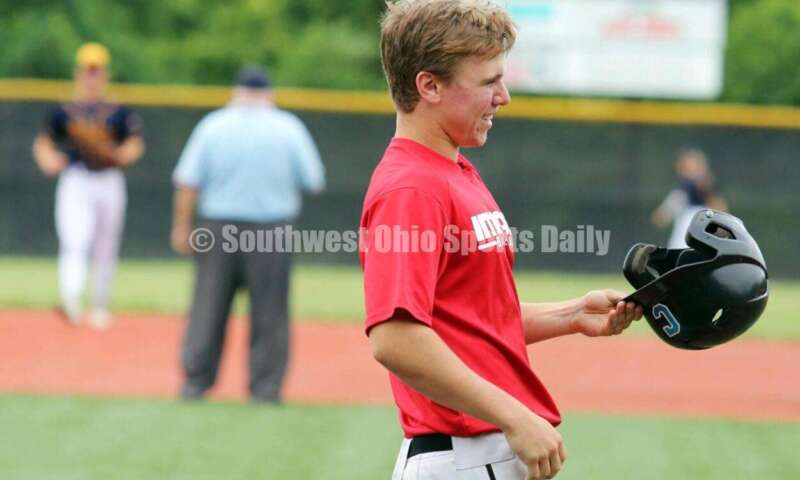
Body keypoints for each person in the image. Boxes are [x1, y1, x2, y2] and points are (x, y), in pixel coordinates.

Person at [359, 2, 643, 479]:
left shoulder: (452, 171)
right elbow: (395, 338)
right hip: (462, 457)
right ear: (428, 85)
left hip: (482, 453)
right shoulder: (412, 188)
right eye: (489, 81)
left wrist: (572, 314)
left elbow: (470, 320)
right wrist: (513, 414)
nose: (504, 96)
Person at [171, 65, 325, 403]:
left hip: (217, 228)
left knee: (207, 308)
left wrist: (182, 227)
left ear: (236, 92)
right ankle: (266, 387)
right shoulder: (288, 127)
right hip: (271, 229)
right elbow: (313, 179)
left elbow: (187, 182)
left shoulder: (213, 125)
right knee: (270, 313)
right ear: (268, 93)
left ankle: (196, 382)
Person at [32, 42, 145, 329]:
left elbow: (135, 142)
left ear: (104, 74)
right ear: (78, 73)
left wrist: (123, 155)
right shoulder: (64, 110)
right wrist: (48, 159)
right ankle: (71, 299)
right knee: (74, 239)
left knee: (106, 245)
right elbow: (44, 142)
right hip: (77, 178)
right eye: (87, 71)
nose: (92, 76)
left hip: (108, 178)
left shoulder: (118, 111)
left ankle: (99, 305)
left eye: (97, 71)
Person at [651, 147, 728, 248]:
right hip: (680, 246)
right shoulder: (680, 193)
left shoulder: (710, 193)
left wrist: (708, 193)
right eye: (686, 167)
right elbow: (660, 219)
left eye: (694, 167)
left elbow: (723, 217)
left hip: (702, 247)